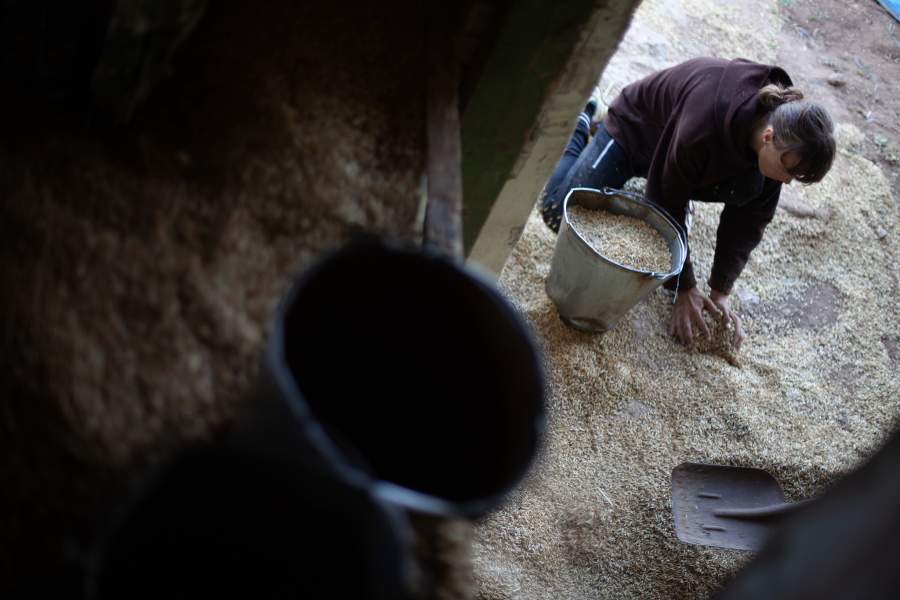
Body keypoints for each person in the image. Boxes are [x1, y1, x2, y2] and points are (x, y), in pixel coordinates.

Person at [540, 57, 835, 349]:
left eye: (795, 177)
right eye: (789, 172)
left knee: (750, 188)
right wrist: (683, 287)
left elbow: (750, 221)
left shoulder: (783, 138)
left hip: (680, 159)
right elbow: (664, 195)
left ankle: (677, 203)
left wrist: (720, 291)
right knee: (560, 212)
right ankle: (584, 117)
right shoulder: (707, 119)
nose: (787, 181)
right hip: (636, 132)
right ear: (768, 137)